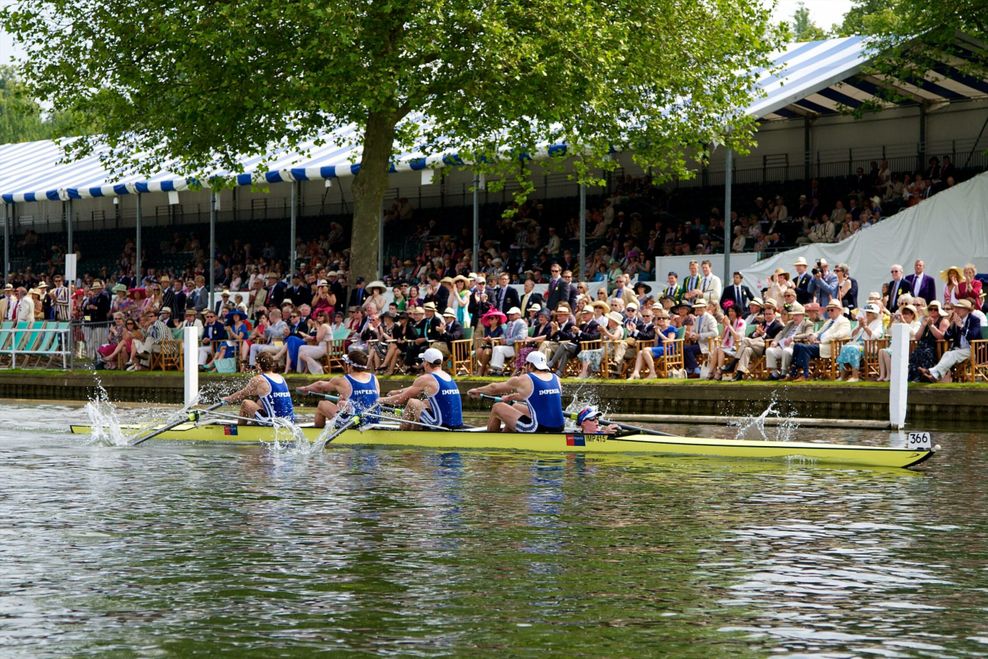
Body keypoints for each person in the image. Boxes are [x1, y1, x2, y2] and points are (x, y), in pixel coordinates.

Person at [468, 351, 565, 433]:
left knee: (498, 407)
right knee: (516, 407)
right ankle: (508, 437)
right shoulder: (556, 378)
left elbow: (494, 388)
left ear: (530, 365)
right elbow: (538, 395)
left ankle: (492, 443)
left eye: (526, 364)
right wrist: (511, 397)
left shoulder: (525, 379)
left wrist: (477, 390)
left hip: (537, 429)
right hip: (559, 427)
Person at [379, 348, 464, 430]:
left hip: (440, 425)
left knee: (413, 402)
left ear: (426, 364)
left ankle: (403, 432)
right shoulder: (447, 376)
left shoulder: (426, 378)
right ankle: (414, 429)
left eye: (423, 361)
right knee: (425, 402)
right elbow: (414, 388)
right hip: (457, 424)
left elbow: (401, 399)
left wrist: (379, 400)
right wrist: (396, 392)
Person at [298, 350, 380, 428]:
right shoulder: (374, 378)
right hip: (374, 419)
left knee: (322, 405)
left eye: (347, 364)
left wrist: (305, 388)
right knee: (342, 403)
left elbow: (320, 386)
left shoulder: (342, 380)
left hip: (355, 422)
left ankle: (315, 434)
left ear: (350, 366)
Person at [221, 351, 295, 425]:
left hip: (273, 422)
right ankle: (256, 424)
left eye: (256, 364)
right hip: (289, 421)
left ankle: (240, 431)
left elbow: (242, 394)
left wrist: (228, 399)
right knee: (260, 401)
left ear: (259, 365)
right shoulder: (281, 377)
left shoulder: (259, 379)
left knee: (245, 403)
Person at [788, 299, 853, 381]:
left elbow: (842, 334)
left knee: (803, 348)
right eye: (828, 310)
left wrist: (823, 340)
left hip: (831, 347)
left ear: (839, 310)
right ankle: (794, 373)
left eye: (831, 310)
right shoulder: (829, 321)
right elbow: (819, 332)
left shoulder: (844, 321)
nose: (829, 312)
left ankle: (804, 374)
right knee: (797, 346)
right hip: (819, 344)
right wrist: (813, 336)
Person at [918, 299, 981, 382]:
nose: (957, 310)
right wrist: (951, 325)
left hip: (972, 350)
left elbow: (973, 335)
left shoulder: (974, 320)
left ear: (967, 310)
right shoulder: (956, 320)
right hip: (959, 349)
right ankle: (935, 376)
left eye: (960, 308)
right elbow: (947, 337)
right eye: (957, 308)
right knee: (947, 353)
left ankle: (930, 371)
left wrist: (961, 327)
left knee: (952, 354)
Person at [835, 303, 885, 381]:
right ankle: (842, 376)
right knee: (844, 348)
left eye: (870, 312)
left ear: (875, 314)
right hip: (856, 344)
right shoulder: (861, 322)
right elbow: (851, 335)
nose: (867, 314)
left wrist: (865, 327)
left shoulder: (878, 324)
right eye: (867, 312)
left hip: (868, 346)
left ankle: (855, 376)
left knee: (854, 349)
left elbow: (874, 336)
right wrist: (859, 327)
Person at [878, 304, 921, 381]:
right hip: (896, 345)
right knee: (881, 351)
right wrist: (891, 321)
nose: (904, 315)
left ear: (912, 315)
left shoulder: (916, 324)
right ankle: (882, 375)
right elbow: (889, 333)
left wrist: (904, 322)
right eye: (903, 313)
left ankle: (890, 375)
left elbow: (914, 333)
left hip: (909, 347)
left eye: (907, 313)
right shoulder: (898, 322)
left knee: (885, 352)